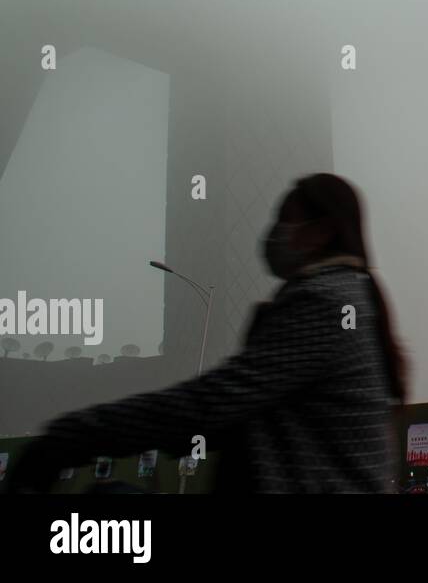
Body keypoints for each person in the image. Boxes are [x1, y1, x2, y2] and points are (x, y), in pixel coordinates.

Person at [6, 173, 405, 493]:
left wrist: (71, 438)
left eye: (287, 219)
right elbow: (232, 418)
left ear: (321, 232)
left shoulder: (325, 301)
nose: (275, 231)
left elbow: (213, 402)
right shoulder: (348, 295)